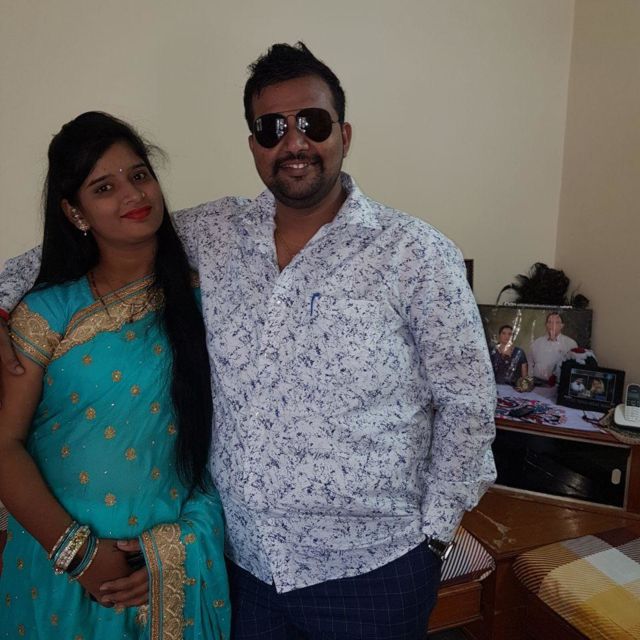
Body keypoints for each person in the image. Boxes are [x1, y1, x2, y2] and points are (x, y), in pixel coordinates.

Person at [0, 44, 495, 639]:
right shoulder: (213, 234)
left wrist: (434, 537)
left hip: (371, 572)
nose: (294, 142)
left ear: (344, 134)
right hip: (243, 571)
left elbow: (468, 405)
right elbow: (79, 246)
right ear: (254, 144)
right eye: (271, 128)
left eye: (312, 122)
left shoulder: (415, 253)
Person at [0, 112, 230, 639]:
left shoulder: (204, 302)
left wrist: (170, 555)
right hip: (57, 568)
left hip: (164, 563)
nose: (132, 194)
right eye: (104, 187)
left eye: (139, 175)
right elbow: (4, 443)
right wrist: (77, 553)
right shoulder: (48, 313)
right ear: (75, 212)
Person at [530, 312, 578, 382]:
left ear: (562, 325)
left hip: (559, 384)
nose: (553, 325)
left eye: (557, 322)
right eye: (550, 322)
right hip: (537, 383)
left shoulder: (570, 343)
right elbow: (530, 362)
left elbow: (574, 367)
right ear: (546, 325)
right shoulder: (537, 342)